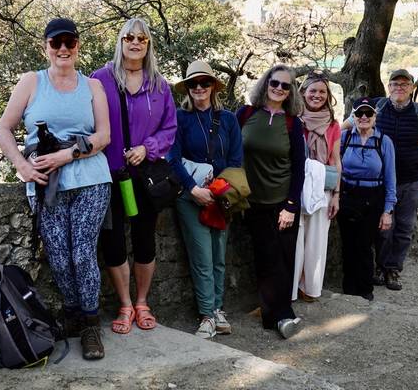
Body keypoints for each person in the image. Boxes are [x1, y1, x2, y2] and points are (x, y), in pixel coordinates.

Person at [0, 17, 112, 360]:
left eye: (69, 42)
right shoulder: (32, 82)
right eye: (55, 43)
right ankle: (74, 313)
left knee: (82, 252)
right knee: (59, 255)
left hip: (89, 177)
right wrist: (21, 164)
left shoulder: (92, 87)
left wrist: (67, 154)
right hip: (45, 183)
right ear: (45, 47)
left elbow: (103, 136)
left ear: (77, 46)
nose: (63, 49)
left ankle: (91, 323)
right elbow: (4, 129)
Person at [91, 18, 177, 335]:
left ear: (148, 43)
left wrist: (148, 147)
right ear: (121, 41)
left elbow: (170, 128)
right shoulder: (100, 80)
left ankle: (142, 302)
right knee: (113, 242)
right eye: (129, 36)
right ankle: (125, 305)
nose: (135, 42)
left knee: (144, 239)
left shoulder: (159, 85)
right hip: (109, 175)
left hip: (144, 176)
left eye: (142, 37)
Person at [342, 69, 418, 291]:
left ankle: (393, 270)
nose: (399, 88)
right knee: (383, 228)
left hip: (412, 181)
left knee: (404, 228)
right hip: (382, 182)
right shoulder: (375, 108)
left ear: (412, 88)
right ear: (389, 86)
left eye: (405, 84)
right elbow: (344, 127)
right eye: (395, 83)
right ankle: (380, 266)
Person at [168, 60, 243, 339]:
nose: (199, 88)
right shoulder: (180, 117)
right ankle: (207, 314)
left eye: (205, 83)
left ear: (214, 86)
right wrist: (193, 189)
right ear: (187, 88)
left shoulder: (228, 120)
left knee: (218, 256)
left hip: (221, 196)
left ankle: (218, 307)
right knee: (202, 255)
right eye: (193, 84)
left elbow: (236, 159)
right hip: (191, 196)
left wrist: (217, 189)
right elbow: (172, 157)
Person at [237, 64, 306, 339]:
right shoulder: (246, 114)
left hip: (283, 201)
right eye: (274, 83)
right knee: (266, 259)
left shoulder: (292, 123)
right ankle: (275, 317)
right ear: (266, 83)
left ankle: (282, 316)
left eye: (285, 86)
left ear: (291, 92)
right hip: (253, 201)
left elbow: (299, 167)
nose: (278, 89)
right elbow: (231, 149)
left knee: (284, 259)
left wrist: (291, 205)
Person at [337, 98, 396, 301]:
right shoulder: (343, 138)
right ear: (352, 117)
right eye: (359, 113)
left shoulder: (383, 142)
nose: (363, 117)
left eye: (368, 113)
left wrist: (387, 211)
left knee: (364, 245)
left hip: (373, 199)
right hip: (347, 196)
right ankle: (349, 289)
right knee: (348, 244)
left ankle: (364, 289)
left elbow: (390, 178)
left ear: (374, 117)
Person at [292, 71, 342, 303]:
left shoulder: (333, 125)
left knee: (317, 241)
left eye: (322, 91)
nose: (317, 95)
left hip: (323, 186)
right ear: (303, 93)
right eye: (312, 90)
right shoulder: (293, 119)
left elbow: (335, 160)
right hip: (297, 185)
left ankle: (310, 288)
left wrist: (336, 195)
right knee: (295, 240)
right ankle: (291, 290)